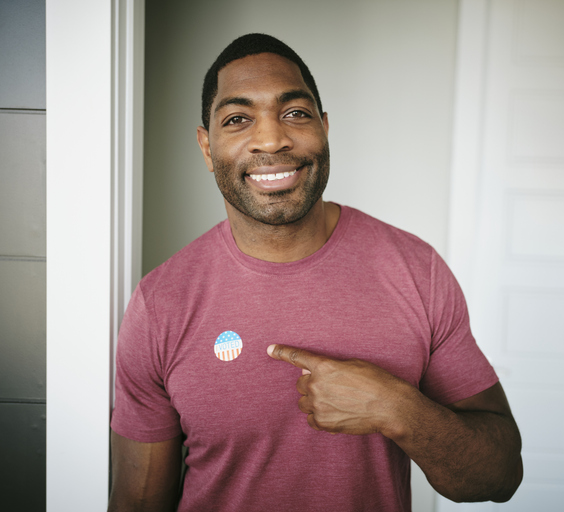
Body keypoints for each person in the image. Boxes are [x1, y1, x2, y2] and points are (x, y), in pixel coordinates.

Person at [108, 33, 523, 512]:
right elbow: (137, 503)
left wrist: (398, 408)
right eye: (238, 119)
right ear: (206, 147)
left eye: (295, 113)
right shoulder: (161, 302)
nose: (271, 138)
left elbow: (500, 476)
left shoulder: (416, 271)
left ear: (324, 128)